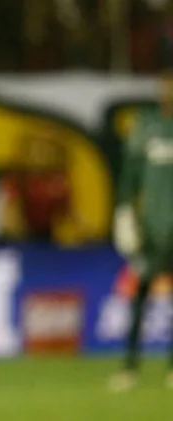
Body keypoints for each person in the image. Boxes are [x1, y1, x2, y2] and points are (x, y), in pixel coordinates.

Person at [110, 68, 173, 392]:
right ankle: (130, 366)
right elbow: (130, 175)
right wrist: (124, 213)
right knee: (140, 295)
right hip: (151, 229)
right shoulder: (147, 126)